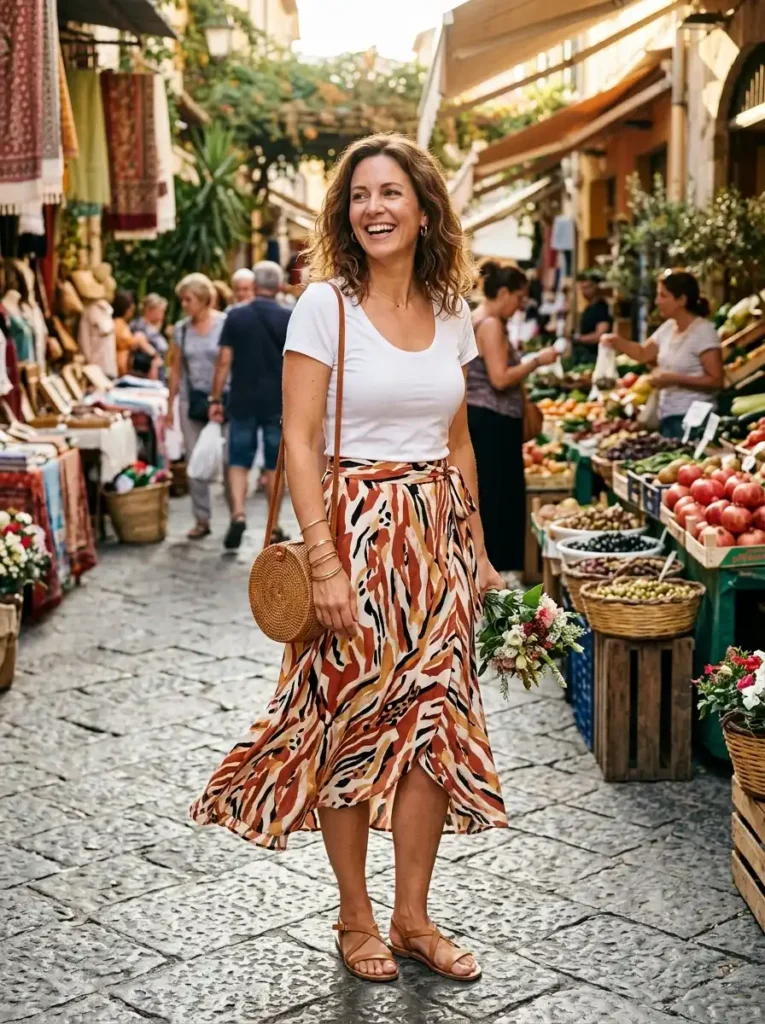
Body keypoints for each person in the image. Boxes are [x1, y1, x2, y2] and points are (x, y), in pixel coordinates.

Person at [191, 132, 508, 983]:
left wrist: (475, 553)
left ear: (423, 207)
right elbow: (296, 441)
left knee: (434, 728)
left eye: (391, 192)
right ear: (345, 211)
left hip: (434, 538)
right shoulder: (323, 307)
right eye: (360, 194)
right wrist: (325, 564)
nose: (374, 206)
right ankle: (354, 916)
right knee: (348, 725)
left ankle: (412, 916)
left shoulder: (451, 309)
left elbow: (458, 440)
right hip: (354, 531)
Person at [467, 262, 557, 574]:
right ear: (503, 292)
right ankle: (502, 574)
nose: (521, 305)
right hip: (493, 423)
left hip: (486, 421)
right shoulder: (490, 323)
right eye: (519, 296)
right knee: (499, 500)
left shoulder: (479, 318)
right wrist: (536, 361)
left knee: (491, 497)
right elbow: (501, 378)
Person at [209, 261, 292, 551]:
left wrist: (215, 398)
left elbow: (223, 361)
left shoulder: (235, 317)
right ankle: (274, 525)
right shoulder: (289, 317)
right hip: (277, 402)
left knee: (238, 460)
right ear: (279, 286)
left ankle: (238, 514)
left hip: (242, 398)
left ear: (255, 286)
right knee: (274, 465)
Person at [603, 271, 723, 439]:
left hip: (694, 420)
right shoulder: (668, 328)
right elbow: (643, 353)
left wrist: (672, 379)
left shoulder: (704, 332)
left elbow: (716, 381)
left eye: (663, 296)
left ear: (681, 300)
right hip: (667, 417)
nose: (657, 301)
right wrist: (616, 341)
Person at [166, 273, 227, 539]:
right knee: (194, 460)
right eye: (182, 300)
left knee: (227, 458)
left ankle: (237, 512)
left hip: (223, 398)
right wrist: (170, 404)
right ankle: (202, 518)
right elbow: (176, 368)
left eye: (188, 299)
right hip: (192, 401)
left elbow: (230, 362)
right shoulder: (181, 329)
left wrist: (222, 397)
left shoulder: (224, 324)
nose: (184, 305)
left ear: (203, 299)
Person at [112, 290, 162, 379]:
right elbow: (128, 341)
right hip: (122, 368)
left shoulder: (123, 324)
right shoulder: (119, 324)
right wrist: (153, 353)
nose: (131, 313)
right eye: (131, 310)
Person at [571, 270, 613, 363]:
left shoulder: (601, 308)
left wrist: (579, 338)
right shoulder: (588, 308)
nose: (584, 291)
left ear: (596, 287)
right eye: (582, 288)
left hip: (595, 357)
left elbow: (600, 335)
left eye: (587, 287)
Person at [131, 293, 169, 381]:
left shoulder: (155, 328)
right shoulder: (138, 326)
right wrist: (154, 356)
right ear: (150, 310)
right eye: (161, 310)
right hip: (145, 377)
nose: (163, 314)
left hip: (159, 376)